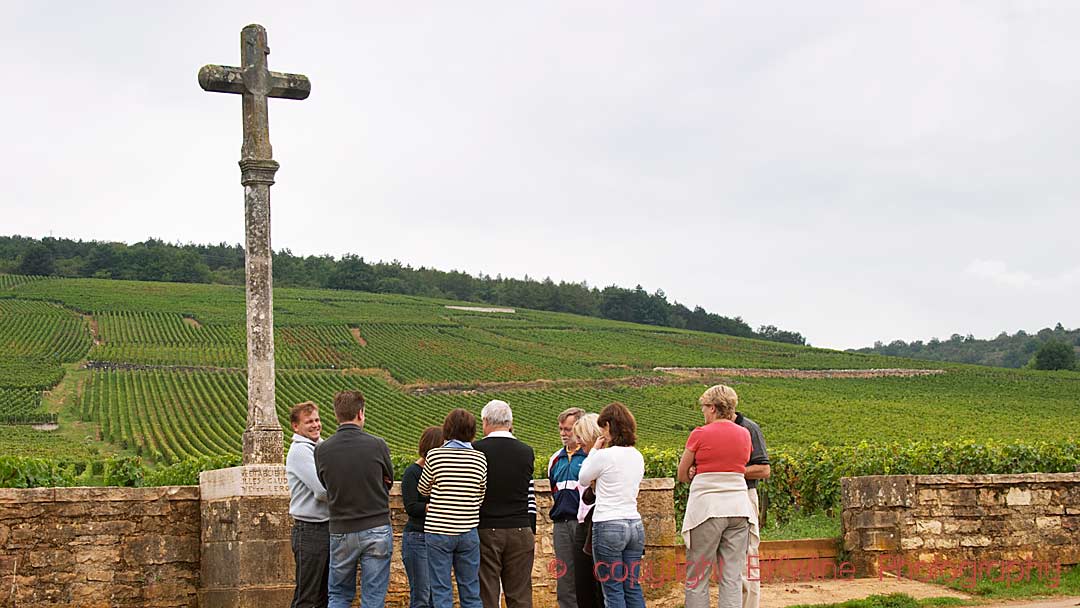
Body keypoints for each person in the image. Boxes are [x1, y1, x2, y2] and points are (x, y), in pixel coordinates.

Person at [314, 390, 394, 608]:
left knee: (339, 594)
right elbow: (389, 478)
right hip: (376, 525)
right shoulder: (378, 444)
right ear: (361, 413)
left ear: (337, 415)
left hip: (341, 528)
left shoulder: (322, 450)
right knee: (373, 597)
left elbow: (325, 483)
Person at [677, 384, 755, 608]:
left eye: (703, 407)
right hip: (739, 508)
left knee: (698, 577)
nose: (702, 411)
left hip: (707, 510)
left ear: (712, 407)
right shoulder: (745, 434)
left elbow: (682, 474)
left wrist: (695, 471)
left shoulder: (700, 434)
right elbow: (737, 465)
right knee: (731, 577)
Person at [577, 402, 646, 608]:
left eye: (602, 428)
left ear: (609, 425)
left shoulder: (605, 455)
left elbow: (583, 478)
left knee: (612, 588)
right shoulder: (637, 455)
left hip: (608, 524)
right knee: (632, 586)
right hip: (634, 524)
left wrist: (595, 451)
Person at [419, 408, 488, 608]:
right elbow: (481, 494)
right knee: (471, 590)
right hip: (468, 530)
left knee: (441, 590)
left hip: (438, 530)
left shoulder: (435, 456)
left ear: (447, 430)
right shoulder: (479, 458)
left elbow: (423, 489)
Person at [474, 400, 537, 608]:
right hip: (520, 527)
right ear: (510, 422)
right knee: (520, 594)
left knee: (488, 593)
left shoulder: (476, 450)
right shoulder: (526, 451)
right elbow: (529, 491)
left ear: (485, 421)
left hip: (486, 528)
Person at [286, 401, 330, 608]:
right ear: (296, 426)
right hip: (310, 530)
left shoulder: (321, 447)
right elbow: (322, 490)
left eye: (317, 420)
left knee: (325, 595)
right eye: (309, 422)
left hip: (327, 528)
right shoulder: (300, 452)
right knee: (307, 596)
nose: (315, 425)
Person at [547, 407, 587, 608]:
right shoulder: (554, 459)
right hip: (561, 525)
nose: (563, 433)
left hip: (584, 524)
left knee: (587, 573)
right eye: (561, 429)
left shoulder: (590, 456)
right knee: (564, 575)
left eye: (568, 429)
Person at [401, 426, 444, 608]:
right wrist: (435, 507)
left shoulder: (441, 472)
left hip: (437, 538)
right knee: (422, 596)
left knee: (436, 596)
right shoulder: (413, 473)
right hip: (418, 538)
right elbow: (411, 507)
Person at [734, 406, 770, 608]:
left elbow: (764, 469)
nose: (703, 412)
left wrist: (732, 471)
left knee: (748, 557)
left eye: (705, 408)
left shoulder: (750, 429)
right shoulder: (710, 430)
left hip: (744, 495)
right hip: (718, 500)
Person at [570, 412, 605, 608]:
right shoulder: (588, 458)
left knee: (597, 587)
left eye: (582, 440)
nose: (579, 444)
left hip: (596, 524)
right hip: (583, 523)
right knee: (583, 586)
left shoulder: (600, 459)